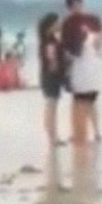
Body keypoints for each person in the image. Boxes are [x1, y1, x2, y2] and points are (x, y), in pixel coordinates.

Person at [61, 0, 102, 145]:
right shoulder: (67, 23)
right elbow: (65, 45)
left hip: (93, 63)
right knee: (79, 99)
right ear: (69, 7)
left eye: (78, 4)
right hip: (77, 64)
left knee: (91, 99)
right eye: (73, 5)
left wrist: (101, 39)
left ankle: (96, 132)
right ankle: (78, 132)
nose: (77, 8)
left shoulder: (92, 18)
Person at [38, 13, 66, 146]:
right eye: (56, 22)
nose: (59, 24)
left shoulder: (47, 40)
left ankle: (52, 136)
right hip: (51, 77)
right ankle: (52, 137)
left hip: (47, 76)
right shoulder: (50, 42)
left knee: (51, 106)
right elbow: (52, 61)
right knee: (52, 107)